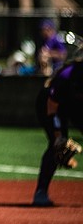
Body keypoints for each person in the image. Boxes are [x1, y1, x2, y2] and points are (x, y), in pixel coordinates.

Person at [32, 59, 83, 206]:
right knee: (57, 144)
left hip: (74, 105)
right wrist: (58, 136)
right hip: (49, 104)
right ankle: (41, 192)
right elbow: (52, 108)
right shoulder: (67, 76)